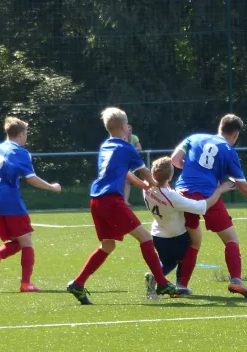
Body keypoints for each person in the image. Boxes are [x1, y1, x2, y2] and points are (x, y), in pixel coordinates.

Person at [66, 107, 183, 305]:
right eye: (127, 125)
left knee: (108, 245)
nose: (129, 129)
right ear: (123, 127)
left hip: (96, 200)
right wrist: (155, 186)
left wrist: (141, 185)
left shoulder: (106, 146)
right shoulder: (127, 148)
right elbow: (145, 171)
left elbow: (125, 173)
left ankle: (78, 284)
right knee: (145, 238)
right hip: (111, 200)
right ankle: (162, 283)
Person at [171, 114, 247, 298]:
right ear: (235, 135)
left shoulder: (194, 138)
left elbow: (175, 159)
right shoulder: (228, 150)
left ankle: (181, 285)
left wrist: (189, 169)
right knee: (231, 239)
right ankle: (236, 280)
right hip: (208, 195)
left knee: (193, 242)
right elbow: (241, 183)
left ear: (220, 127)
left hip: (183, 194)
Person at [0, 117, 62, 292]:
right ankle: (25, 283)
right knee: (27, 241)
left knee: (19, 240)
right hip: (10, 202)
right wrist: (52, 187)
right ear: (21, 134)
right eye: (26, 133)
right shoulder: (20, 152)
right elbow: (31, 178)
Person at [143, 156, 235, 298]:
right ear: (171, 175)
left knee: (168, 262)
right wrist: (219, 190)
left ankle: (156, 280)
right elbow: (202, 206)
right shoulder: (172, 197)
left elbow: (162, 190)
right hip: (175, 236)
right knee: (184, 255)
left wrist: (174, 192)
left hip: (158, 234)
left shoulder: (147, 187)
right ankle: (177, 285)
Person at [123, 125, 142, 205]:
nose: (129, 131)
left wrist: (131, 149)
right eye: (127, 129)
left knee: (127, 181)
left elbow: (139, 148)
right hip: (121, 161)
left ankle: (125, 201)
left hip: (130, 162)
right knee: (120, 181)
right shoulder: (121, 138)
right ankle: (120, 200)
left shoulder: (134, 137)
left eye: (130, 130)